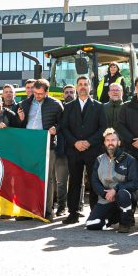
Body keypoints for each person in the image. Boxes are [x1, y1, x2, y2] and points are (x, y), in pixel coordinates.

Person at [61, 75, 106, 224]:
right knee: (74, 181)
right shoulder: (68, 107)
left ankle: (94, 213)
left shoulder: (99, 106)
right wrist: (75, 142)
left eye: (85, 84)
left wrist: (88, 142)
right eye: (80, 84)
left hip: (93, 150)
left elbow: (103, 128)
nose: (82, 87)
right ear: (76, 87)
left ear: (90, 87)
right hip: (74, 151)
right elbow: (65, 128)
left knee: (94, 183)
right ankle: (73, 213)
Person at [17, 79, 63, 220]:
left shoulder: (56, 105)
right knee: (27, 177)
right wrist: (20, 119)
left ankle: (47, 211)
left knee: (47, 179)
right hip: (28, 146)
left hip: (47, 146)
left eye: (40, 94)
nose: (37, 96)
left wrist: (56, 128)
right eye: (35, 93)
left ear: (47, 92)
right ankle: (27, 211)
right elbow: (19, 125)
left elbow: (64, 123)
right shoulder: (25, 103)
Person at [84, 129, 138, 231]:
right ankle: (114, 218)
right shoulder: (99, 159)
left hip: (124, 197)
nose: (110, 143)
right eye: (107, 140)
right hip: (106, 198)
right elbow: (95, 181)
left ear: (119, 142)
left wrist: (115, 190)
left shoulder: (129, 160)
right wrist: (105, 194)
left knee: (122, 194)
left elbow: (134, 183)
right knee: (91, 224)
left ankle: (125, 223)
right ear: (104, 142)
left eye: (113, 140)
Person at [54, 85, 76, 217]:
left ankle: (77, 207)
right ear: (63, 94)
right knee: (61, 181)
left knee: (77, 181)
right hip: (62, 150)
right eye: (66, 92)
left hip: (77, 150)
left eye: (71, 92)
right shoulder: (59, 109)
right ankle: (61, 207)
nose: (69, 94)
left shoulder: (79, 108)